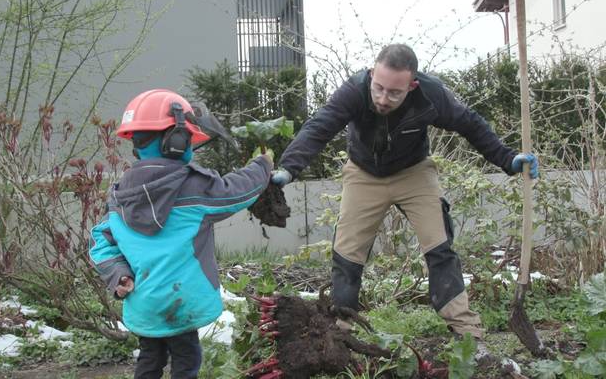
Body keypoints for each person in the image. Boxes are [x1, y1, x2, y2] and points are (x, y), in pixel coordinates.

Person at [271, 44, 538, 347]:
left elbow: (471, 125)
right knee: (347, 254)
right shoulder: (353, 91)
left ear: (411, 86)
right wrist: (288, 169)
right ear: (372, 75)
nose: (384, 99)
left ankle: (467, 334)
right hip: (363, 174)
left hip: (414, 173)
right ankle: (339, 334)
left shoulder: (431, 95)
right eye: (379, 88)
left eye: (394, 93)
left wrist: (507, 158)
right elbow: (320, 127)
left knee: (439, 245)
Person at [89, 89, 273, 378]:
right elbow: (236, 192)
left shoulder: (120, 196)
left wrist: (118, 274)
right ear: (174, 142)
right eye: (187, 138)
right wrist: (261, 167)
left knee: (150, 358)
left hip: (144, 304)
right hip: (181, 304)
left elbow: (101, 241)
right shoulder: (193, 189)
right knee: (186, 361)